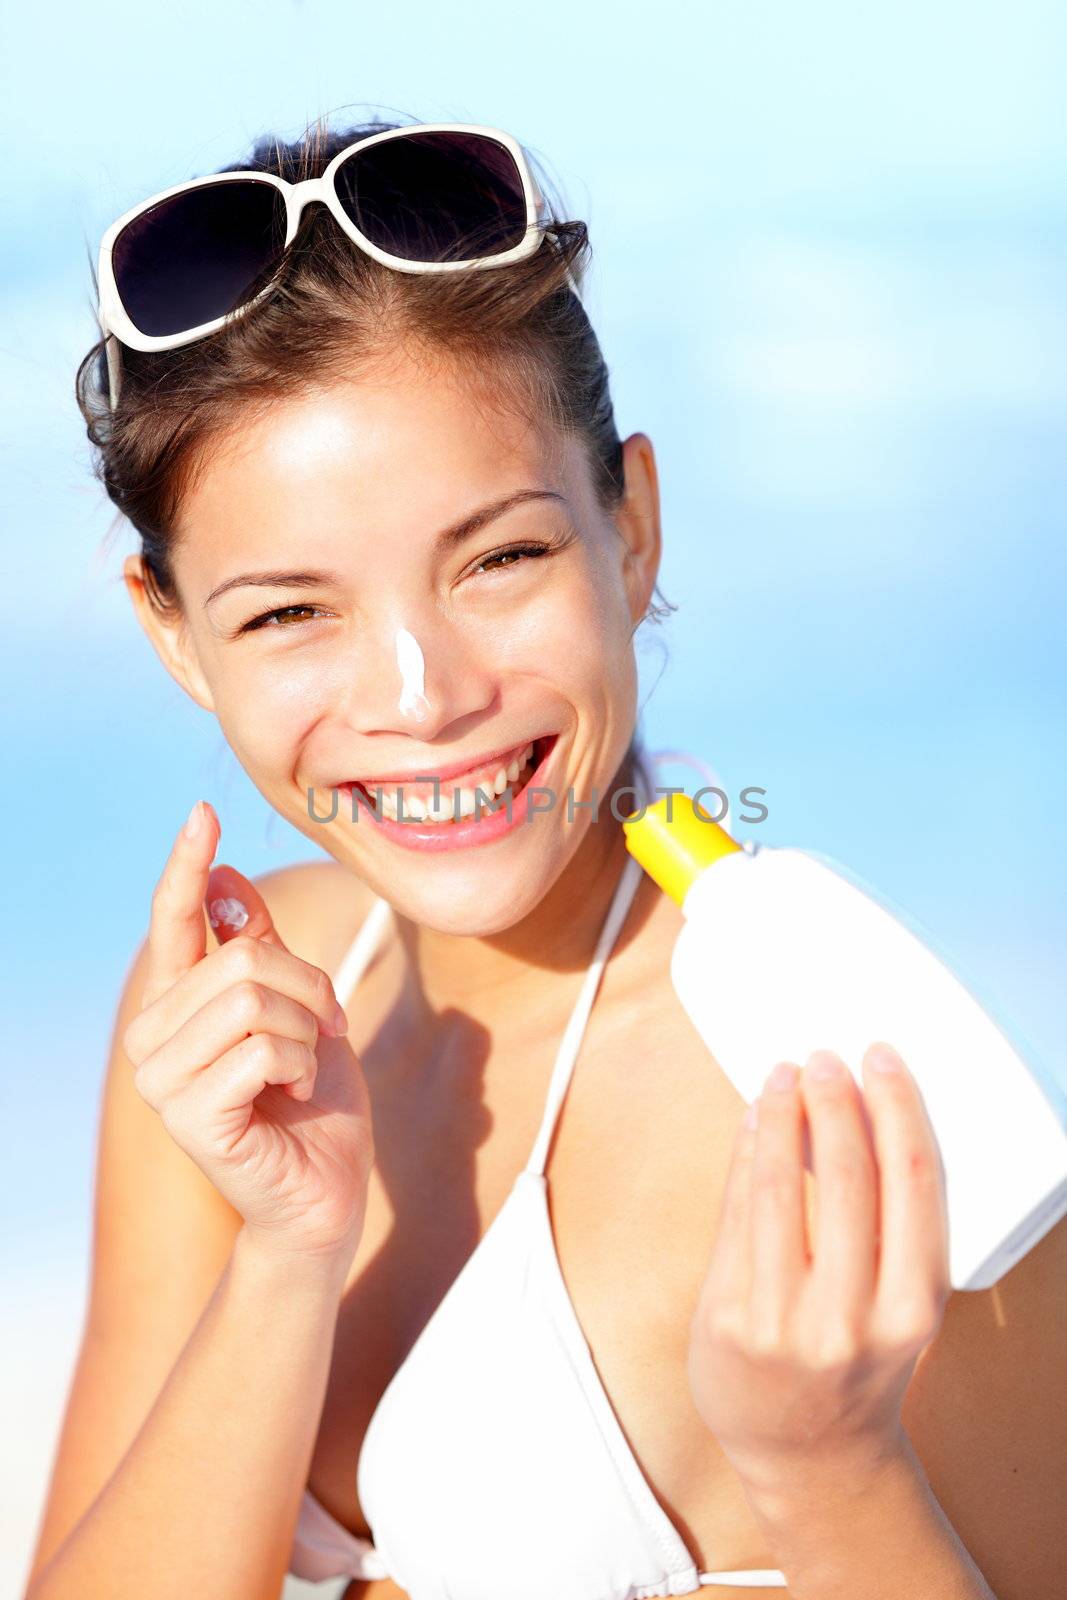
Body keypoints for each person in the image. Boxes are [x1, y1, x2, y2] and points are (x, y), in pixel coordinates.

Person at [25, 116, 1067, 1600]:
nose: (420, 695)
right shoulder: (250, 1004)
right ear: (172, 633)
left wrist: (830, 1468)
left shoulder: (825, 1064)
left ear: (629, 531)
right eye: (285, 613)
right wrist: (285, 1252)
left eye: (498, 558)